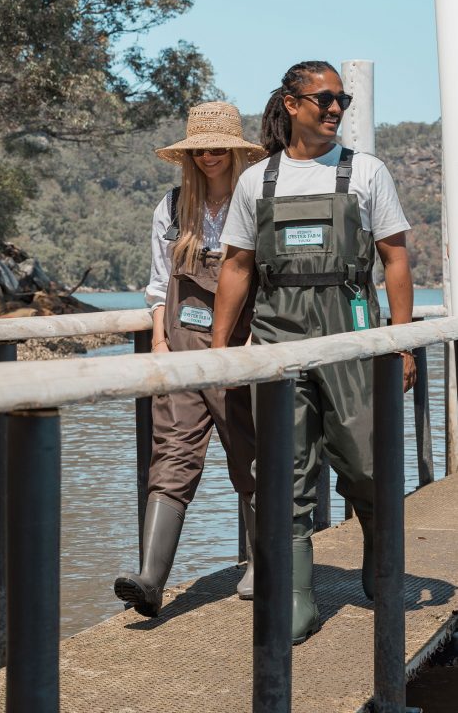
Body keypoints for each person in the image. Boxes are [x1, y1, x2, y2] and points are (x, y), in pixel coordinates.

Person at [211, 60, 415, 645]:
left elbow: (396, 260)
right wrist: (222, 350)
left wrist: (399, 342)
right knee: (282, 470)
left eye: (342, 100)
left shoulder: (367, 173)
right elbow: (237, 265)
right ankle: (297, 597)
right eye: (323, 99)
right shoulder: (258, 181)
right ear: (291, 104)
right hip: (278, 337)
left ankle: (378, 540)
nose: (334, 109)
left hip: (351, 332)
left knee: (366, 460)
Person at [113, 101, 265, 618]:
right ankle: (150, 579)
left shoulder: (255, 203)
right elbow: (160, 284)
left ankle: (261, 564)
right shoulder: (174, 206)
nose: (208, 156)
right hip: (180, 347)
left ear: (236, 151)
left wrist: (253, 345)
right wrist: (159, 341)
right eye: (200, 148)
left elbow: (265, 283)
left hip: (241, 347)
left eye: (219, 147)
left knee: (249, 450)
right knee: (173, 451)